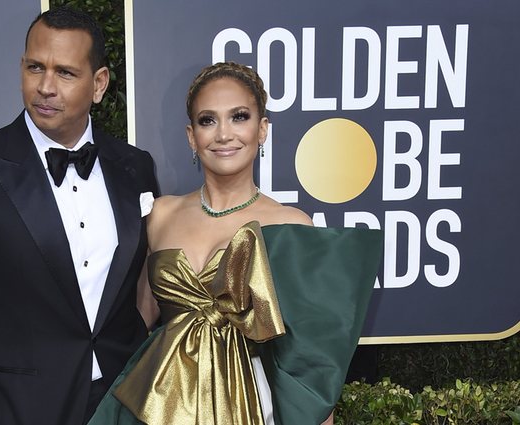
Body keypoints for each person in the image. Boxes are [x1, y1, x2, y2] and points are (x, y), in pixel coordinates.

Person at [88, 62, 383, 425]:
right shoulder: (160, 215)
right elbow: (135, 324)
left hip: (254, 405)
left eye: (239, 117)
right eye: (207, 120)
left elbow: (310, 367)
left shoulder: (291, 225)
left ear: (262, 130)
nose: (223, 133)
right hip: (163, 405)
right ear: (191, 136)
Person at [0, 5, 159, 425]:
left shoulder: (134, 167)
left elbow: (146, 286)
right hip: (19, 408)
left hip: (125, 402)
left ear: (99, 84)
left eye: (65, 73)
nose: (46, 87)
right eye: (35, 67)